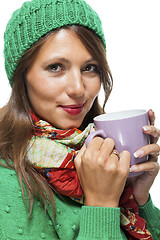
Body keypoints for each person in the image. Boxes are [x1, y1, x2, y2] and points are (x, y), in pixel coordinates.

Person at [0, 0, 160, 239]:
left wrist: (138, 196)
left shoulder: (97, 153)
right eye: (55, 67)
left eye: (90, 68)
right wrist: (101, 203)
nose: (77, 89)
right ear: (21, 76)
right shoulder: (7, 180)